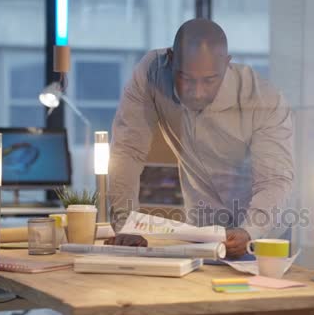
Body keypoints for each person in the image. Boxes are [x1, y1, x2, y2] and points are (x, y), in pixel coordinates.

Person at [107, 18, 294, 258]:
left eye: (209, 81)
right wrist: (125, 224)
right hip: (202, 229)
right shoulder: (152, 73)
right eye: (186, 79)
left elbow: (274, 180)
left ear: (227, 65)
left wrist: (249, 230)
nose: (196, 92)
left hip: (262, 232)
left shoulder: (264, 100)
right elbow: (127, 152)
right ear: (171, 60)